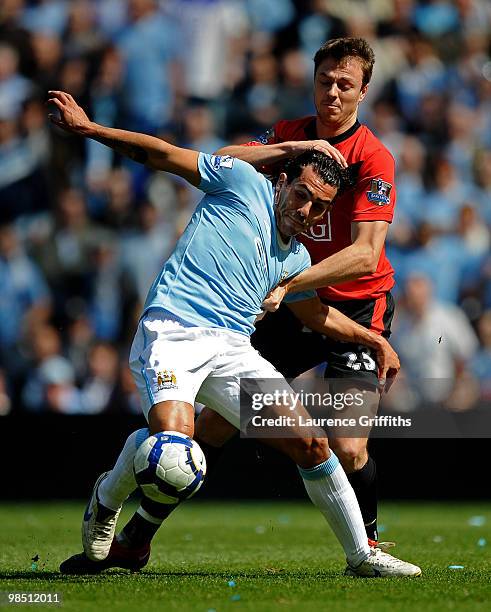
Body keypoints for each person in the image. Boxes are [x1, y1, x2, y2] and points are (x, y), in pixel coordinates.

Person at [47, 90, 420, 577]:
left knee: (312, 444)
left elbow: (316, 318)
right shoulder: (241, 182)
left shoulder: (296, 260)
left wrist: (373, 339)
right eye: (302, 194)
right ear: (283, 181)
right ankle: (107, 495)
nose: (306, 210)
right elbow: (163, 154)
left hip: (232, 350)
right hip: (172, 333)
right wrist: (92, 130)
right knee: (176, 450)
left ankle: (361, 555)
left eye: (319, 206)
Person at [198, 37, 398, 547]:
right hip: (294, 305)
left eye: (344, 84)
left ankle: (369, 542)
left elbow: (365, 255)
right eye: (325, 81)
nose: (332, 92)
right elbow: (221, 161)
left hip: (354, 306)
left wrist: (286, 283)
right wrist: (292, 149)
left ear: (363, 92)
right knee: (218, 419)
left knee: (349, 448)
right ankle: (139, 532)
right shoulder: (289, 134)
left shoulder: (373, 157)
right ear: (313, 82)